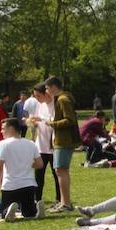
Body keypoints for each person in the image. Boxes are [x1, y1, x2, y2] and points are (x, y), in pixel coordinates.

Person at [0, 118, 44, 221]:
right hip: (29, 185)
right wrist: (26, 164)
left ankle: (9, 210)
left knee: (2, 211)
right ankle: (35, 209)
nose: (1, 131)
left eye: (3, 129)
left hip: (10, 185)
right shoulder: (30, 143)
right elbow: (40, 164)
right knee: (29, 213)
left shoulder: (4, 144)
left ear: (11, 129)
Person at [43, 76, 80, 213]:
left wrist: (52, 124)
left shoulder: (63, 99)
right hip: (62, 140)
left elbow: (69, 120)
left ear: (53, 86)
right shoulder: (62, 98)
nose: (46, 91)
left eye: (47, 88)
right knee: (60, 170)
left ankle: (66, 203)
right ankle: (64, 202)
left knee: (61, 170)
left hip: (64, 140)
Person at [24, 83, 60, 204]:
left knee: (57, 174)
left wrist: (42, 120)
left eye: (38, 96)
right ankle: (37, 199)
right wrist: (32, 122)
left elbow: (56, 122)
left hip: (54, 145)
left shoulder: (56, 104)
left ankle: (59, 199)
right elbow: (38, 120)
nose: (37, 99)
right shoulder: (40, 105)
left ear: (46, 93)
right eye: (35, 96)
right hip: (41, 145)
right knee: (38, 175)